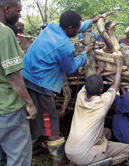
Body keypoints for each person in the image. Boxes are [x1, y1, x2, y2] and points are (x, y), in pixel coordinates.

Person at [22, 10, 102, 165]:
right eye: (78, 27)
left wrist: (91, 20)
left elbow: (76, 26)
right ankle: (58, 158)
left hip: (26, 75)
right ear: (71, 28)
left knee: (32, 114)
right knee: (50, 118)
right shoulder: (65, 46)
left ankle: (34, 146)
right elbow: (70, 68)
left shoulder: (51, 28)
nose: (79, 29)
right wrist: (84, 53)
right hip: (40, 83)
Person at [65, 57, 129, 165]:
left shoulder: (80, 96)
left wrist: (100, 69)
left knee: (107, 132)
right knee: (128, 149)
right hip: (84, 155)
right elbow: (115, 85)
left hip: (68, 150)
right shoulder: (102, 102)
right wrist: (119, 67)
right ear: (101, 89)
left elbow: (90, 82)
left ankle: (81, 160)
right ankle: (96, 163)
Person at [0, 0, 37, 166]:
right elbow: (14, 75)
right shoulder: (5, 33)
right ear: (6, 9)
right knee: (19, 158)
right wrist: (29, 103)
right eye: (18, 10)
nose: (20, 14)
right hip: (9, 108)